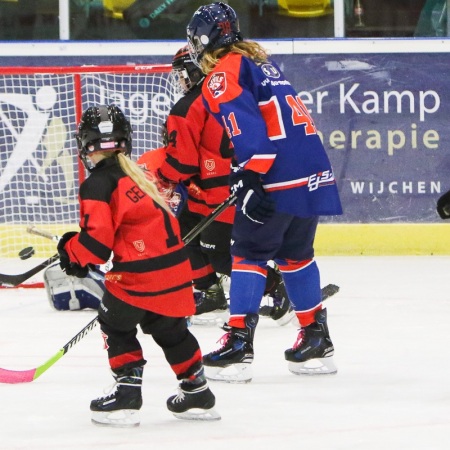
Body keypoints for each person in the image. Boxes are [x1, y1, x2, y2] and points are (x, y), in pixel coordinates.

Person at [186, 2, 343, 382]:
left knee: (249, 252)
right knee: (295, 254)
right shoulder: (259, 62)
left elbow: (247, 129)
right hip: (311, 170)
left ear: (204, 41)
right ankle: (315, 339)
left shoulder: (223, 73)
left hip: (277, 172)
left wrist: (249, 174)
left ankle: (238, 342)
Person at [56, 104, 220, 426]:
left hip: (140, 279)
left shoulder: (97, 184)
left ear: (85, 145)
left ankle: (126, 393)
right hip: (176, 276)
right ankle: (196, 389)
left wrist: (71, 252)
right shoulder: (141, 174)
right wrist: (78, 250)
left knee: (115, 323)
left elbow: (97, 247)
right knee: (171, 331)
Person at [140, 44, 294, 326]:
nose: (181, 80)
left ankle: (277, 285)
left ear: (196, 70)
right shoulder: (228, 93)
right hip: (217, 186)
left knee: (221, 254)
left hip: (222, 190)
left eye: (183, 73)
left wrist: (162, 178)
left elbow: (182, 163)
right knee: (182, 230)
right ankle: (210, 292)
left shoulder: (187, 107)